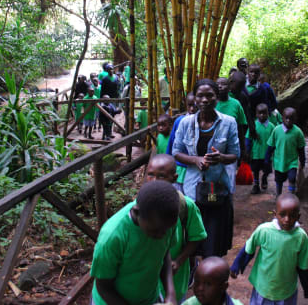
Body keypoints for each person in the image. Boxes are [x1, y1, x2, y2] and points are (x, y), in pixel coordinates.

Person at [173, 79, 240, 257]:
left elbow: (235, 154)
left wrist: (221, 158)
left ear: (216, 97)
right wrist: (195, 160)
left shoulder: (229, 122)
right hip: (192, 190)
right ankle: (193, 273)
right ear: (194, 98)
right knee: (192, 238)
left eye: (209, 95)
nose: (204, 100)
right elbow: (176, 152)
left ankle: (210, 276)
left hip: (217, 188)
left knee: (213, 240)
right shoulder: (185, 123)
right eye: (200, 95)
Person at [90, 180, 179, 305]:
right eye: (155, 231)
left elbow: (165, 254)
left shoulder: (165, 220)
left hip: (149, 298)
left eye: (165, 231)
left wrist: (170, 294)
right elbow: (104, 288)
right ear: (137, 212)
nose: (161, 236)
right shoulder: (112, 237)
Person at [230, 194, 308, 305]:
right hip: (263, 287)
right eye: (282, 215)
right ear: (275, 214)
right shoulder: (264, 231)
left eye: (292, 216)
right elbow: (248, 249)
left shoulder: (301, 238)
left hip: (286, 291)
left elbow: (304, 267)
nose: (287, 220)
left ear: (298, 217)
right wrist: (237, 265)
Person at [145, 154, 207, 303]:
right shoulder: (141, 204)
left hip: (175, 277)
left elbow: (197, 236)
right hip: (146, 276)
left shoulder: (185, 205)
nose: (154, 181)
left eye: (161, 176)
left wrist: (179, 261)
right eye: (150, 175)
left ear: (174, 178)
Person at [265, 108, 306, 195]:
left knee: (292, 178)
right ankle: (278, 195)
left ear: (295, 119)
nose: (288, 120)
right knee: (279, 180)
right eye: (286, 118)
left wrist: (302, 161)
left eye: (291, 118)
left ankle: (291, 196)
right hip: (279, 161)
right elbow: (270, 146)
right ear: (282, 118)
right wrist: (267, 159)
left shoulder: (298, 132)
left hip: (292, 162)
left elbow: (301, 148)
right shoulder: (276, 130)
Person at [167, 93, 199, 192]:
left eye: (195, 105)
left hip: (196, 169)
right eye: (189, 105)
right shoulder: (179, 121)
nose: (192, 109)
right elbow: (171, 144)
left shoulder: (205, 123)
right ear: (185, 104)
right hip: (179, 168)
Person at [215, 77, 248, 160]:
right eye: (217, 84)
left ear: (229, 88)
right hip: (214, 145)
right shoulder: (211, 104)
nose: (220, 86)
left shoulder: (235, 104)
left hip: (231, 145)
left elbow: (240, 127)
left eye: (223, 84)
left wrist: (243, 148)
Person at [246, 103, 274, 194]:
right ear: (256, 114)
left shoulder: (271, 127)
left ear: (268, 114)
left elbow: (275, 140)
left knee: (267, 170)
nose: (262, 115)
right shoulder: (253, 126)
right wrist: (247, 151)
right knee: (255, 170)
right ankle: (256, 185)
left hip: (267, 155)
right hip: (256, 154)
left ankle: (264, 178)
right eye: (260, 113)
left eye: (264, 113)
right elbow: (248, 139)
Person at [229, 71, 256, 141]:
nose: (239, 89)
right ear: (231, 82)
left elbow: (248, 113)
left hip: (239, 129)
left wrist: (252, 127)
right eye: (238, 87)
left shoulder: (242, 96)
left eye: (241, 87)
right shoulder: (222, 94)